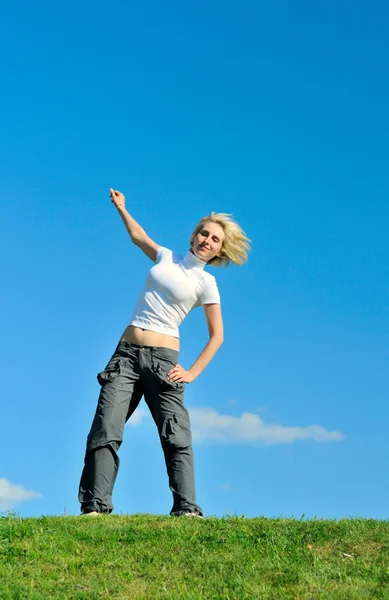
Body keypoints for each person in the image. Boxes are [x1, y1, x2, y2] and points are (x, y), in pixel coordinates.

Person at [78, 188, 250, 517]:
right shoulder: (166, 257)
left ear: (219, 251)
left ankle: (186, 508)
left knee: (175, 435)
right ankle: (95, 508)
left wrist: (192, 372)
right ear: (194, 234)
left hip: (163, 363)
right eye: (204, 233)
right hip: (124, 357)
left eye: (215, 240)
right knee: (105, 429)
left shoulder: (206, 283)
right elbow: (138, 237)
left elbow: (218, 336)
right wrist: (122, 208)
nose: (207, 240)